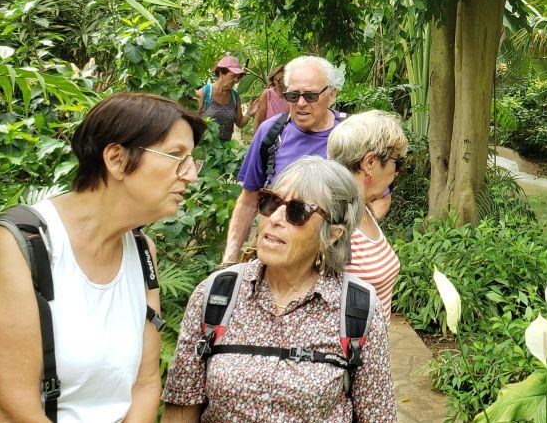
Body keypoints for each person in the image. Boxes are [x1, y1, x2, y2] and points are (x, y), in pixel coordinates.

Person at [0, 93, 204, 422]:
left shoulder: (141, 250)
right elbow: (8, 408)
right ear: (117, 159)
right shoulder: (21, 247)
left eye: (191, 161)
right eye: (177, 157)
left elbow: (145, 383)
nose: (190, 175)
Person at [162, 157, 396, 422]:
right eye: (270, 202)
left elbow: (377, 415)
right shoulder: (217, 295)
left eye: (297, 212)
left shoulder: (357, 310)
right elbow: (181, 409)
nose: (274, 218)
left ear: (333, 234)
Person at [222, 55, 346, 265]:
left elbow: (377, 198)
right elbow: (248, 199)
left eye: (311, 96)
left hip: (329, 261)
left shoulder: (349, 137)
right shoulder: (271, 132)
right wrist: (229, 260)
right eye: (292, 96)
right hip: (276, 256)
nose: (301, 103)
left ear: (332, 94)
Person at [327, 110, 406, 313]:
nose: (397, 172)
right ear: (370, 163)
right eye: (397, 162)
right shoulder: (332, 219)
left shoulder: (365, 209)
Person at [195, 55, 248, 142]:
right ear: (221, 73)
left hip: (225, 149)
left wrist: (249, 113)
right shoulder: (204, 93)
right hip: (203, 148)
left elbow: (239, 123)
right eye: (233, 76)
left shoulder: (235, 97)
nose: (236, 80)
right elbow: (192, 120)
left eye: (238, 77)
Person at [250, 64, 288, 131]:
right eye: (276, 79)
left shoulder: (292, 95)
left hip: (286, 133)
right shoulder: (267, 94)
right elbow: (258, 119)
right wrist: (256, 138)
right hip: (268, 134)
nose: (278, 82)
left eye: (281, 79)